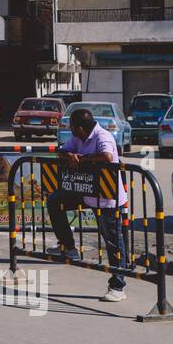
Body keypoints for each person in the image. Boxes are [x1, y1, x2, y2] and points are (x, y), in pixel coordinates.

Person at [46, 107, 130, 303]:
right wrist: (69, 156)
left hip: (107, 198)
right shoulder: (79, 138)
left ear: (81, 128)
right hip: (86, 192)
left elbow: (108, 157)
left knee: (113, 241)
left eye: (73, 128)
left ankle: (118, 286)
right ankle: (69, 246)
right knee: (54, 201)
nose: (71, 131)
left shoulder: (103, 136)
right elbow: (62, 150)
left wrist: (82, 159)